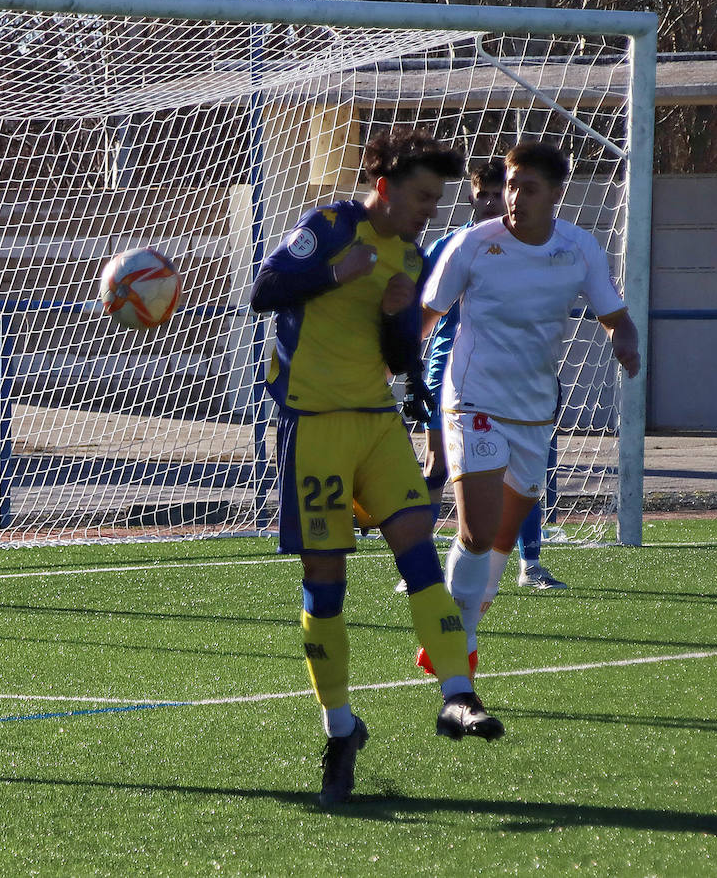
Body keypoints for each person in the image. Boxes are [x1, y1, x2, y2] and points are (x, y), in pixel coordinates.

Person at [251, 127, 504, 807]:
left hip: (375, 424)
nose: (429, 210)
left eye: (436, 199)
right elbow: (267, 288)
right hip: (314, 426)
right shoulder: (330, 226)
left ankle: (457, 694)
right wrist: (335, 274)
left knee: (417, 552)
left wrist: (398, 321)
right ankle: (340, 730)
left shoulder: (412, 260)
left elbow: (399, 360)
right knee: (324, 579)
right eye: (422, 197)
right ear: (386, 187)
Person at [419, 141, 640, 673]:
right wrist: (386, 373)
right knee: (475, 528)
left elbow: (614, 313)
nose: (515, 196)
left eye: (528, 188)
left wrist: (626, 339)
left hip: (534, 408)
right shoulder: (471, 245)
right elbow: (426, 316)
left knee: (498, 537)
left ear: (556, 195)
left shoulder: (579, 248)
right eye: (512, 184)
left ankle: (459, 629)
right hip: (471, 398)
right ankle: (456, 645)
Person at [407, 159, 563, 676]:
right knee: (437, 470)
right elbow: (422, 305)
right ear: (473, 198)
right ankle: (424, 569)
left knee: (524, 484)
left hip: (516, 392)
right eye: (486, 195)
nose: (494, 203)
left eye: (503, 193)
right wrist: (408, 369)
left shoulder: (545, 248)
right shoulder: (456, 244)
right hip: (451, 379)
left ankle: (528, 560)